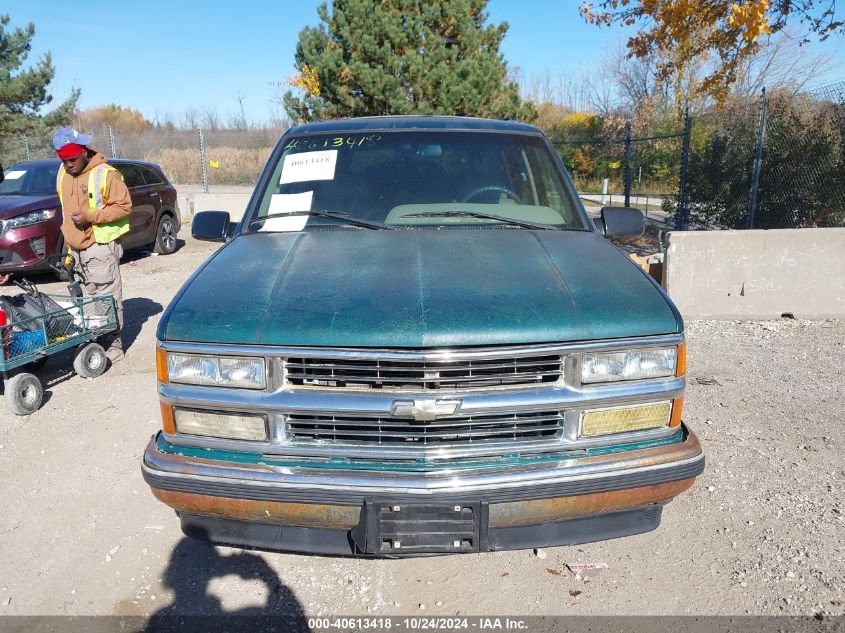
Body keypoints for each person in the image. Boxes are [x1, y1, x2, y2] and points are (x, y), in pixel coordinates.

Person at [53, 128, 131, 362]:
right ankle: (97, 338)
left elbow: (124, 206)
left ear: (84, 152)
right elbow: (66, 213)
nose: (68, 165)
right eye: (64, 160)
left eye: (72, 160)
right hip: (75, 247)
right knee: (89, 297)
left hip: (100, 243)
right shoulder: (62, 174)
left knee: (107, 296)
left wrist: (91, 216)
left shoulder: (105, 174)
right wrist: (67, 249)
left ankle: (114, 342)